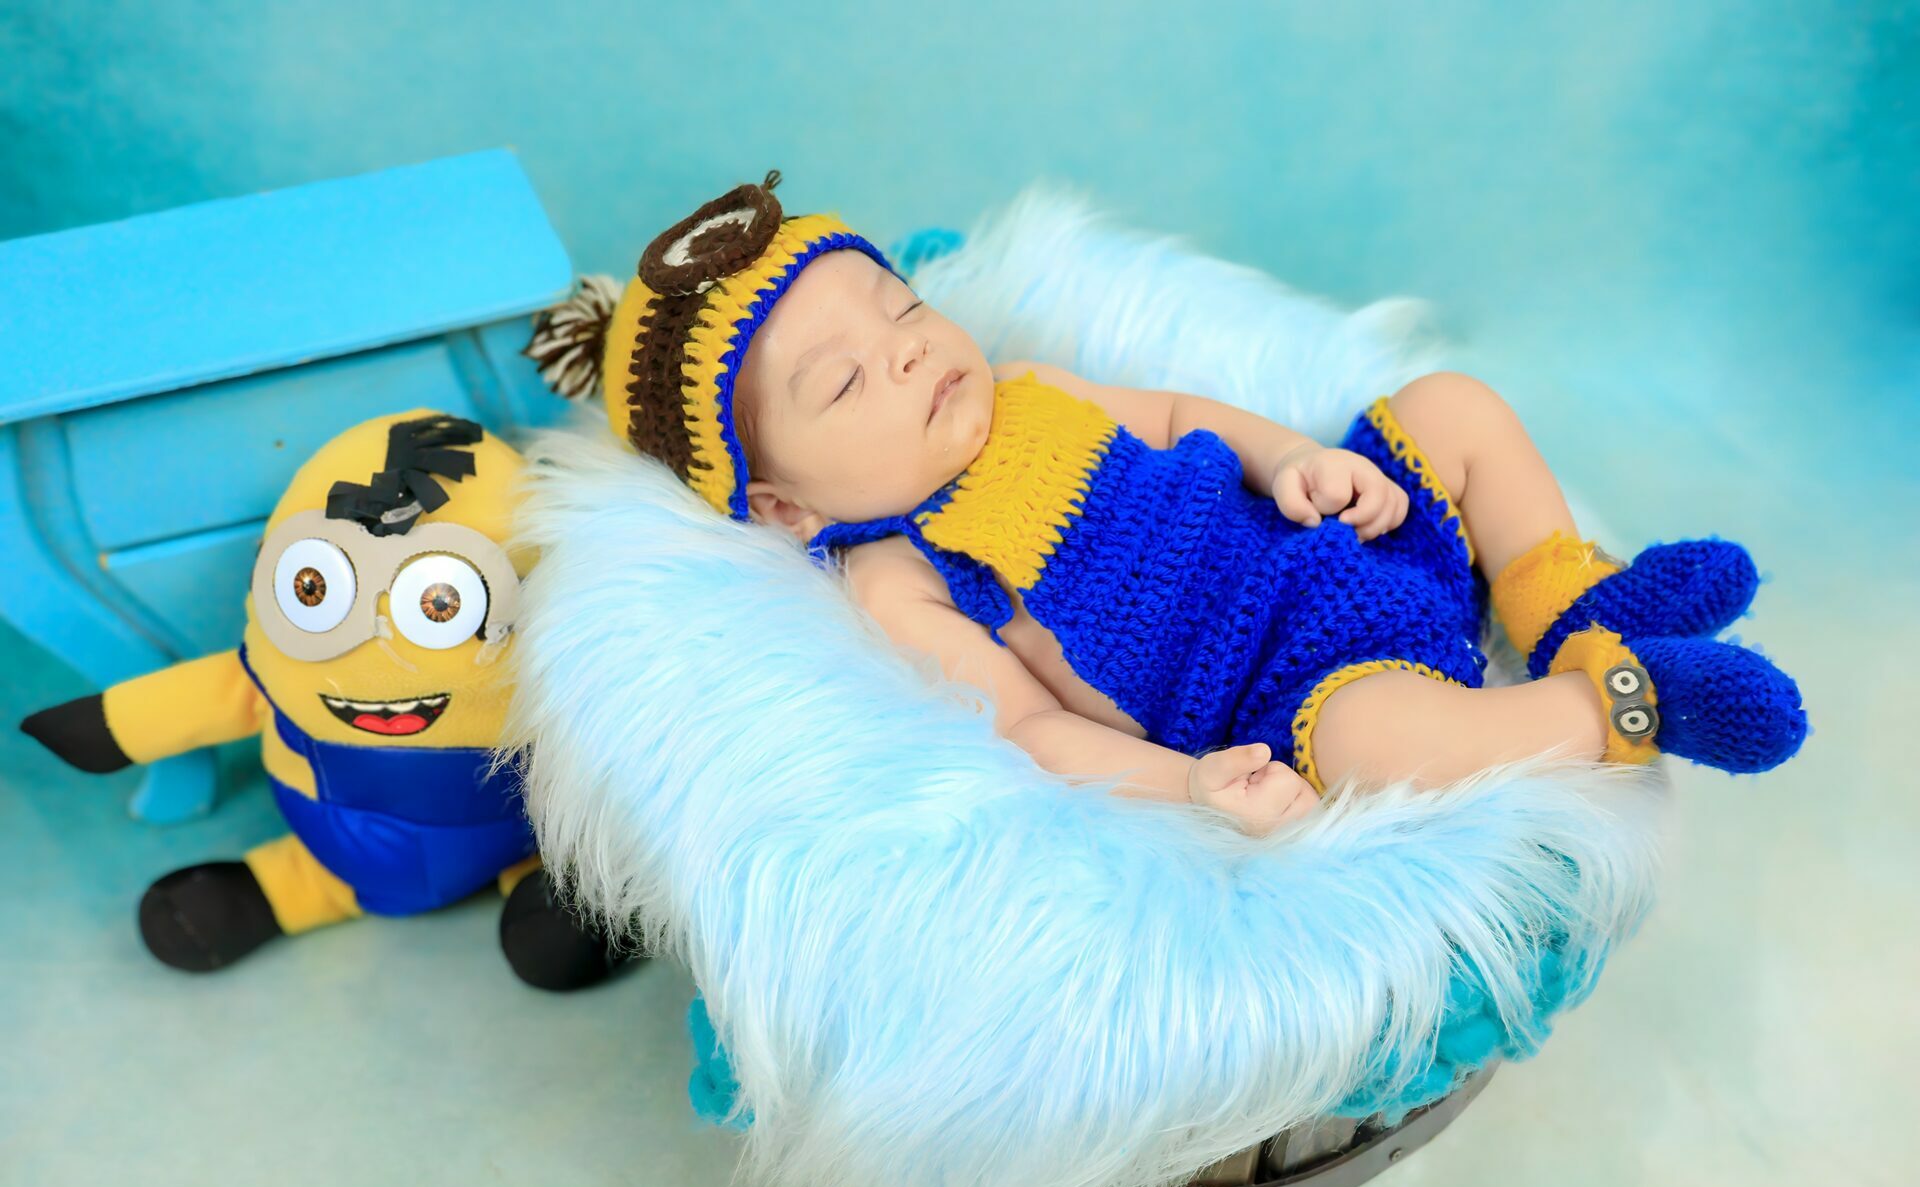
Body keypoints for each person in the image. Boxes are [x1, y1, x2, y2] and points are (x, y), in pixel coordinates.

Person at [525, 172, 1806, 835]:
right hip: (1294, 685)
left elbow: (1185, 412)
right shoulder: (899, 573)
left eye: (901, 307)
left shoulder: (1032, 390)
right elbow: (1031, 727)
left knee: (1451, 403)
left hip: (1338, 539)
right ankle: (1618, 702)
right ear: (784, 507)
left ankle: (1569, 604)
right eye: (847, 379)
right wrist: (1190, 788)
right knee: (1379, 750)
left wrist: (1290, 460)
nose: (908, 352)